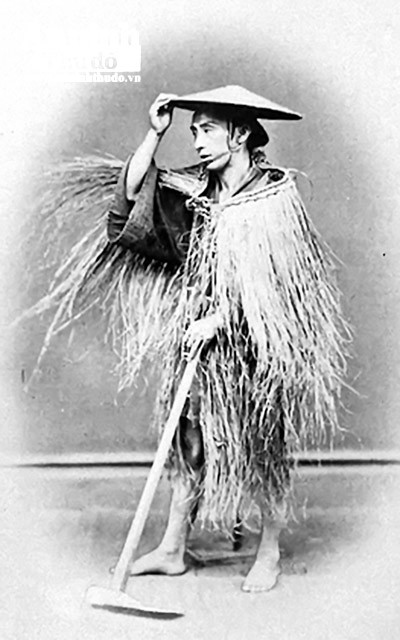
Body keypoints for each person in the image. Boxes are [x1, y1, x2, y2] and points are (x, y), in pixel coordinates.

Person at [103, 85, 350, 592]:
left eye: (207, 130)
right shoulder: (198, 189)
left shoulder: (274, 197)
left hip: (258, 345)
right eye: (193, 130)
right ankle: (173, 548)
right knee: (189, 440)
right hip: (201, 344)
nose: (197, 141)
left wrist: (220, 320)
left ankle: (269, 550)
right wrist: (155, 134)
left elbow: (280, 287)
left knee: (262, 443)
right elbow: (132, 194)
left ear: (238, 134)